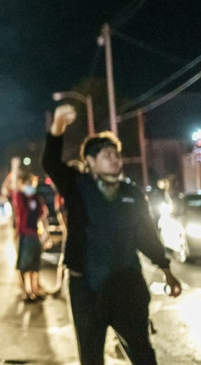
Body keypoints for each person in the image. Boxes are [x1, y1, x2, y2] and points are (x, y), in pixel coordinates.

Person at [42, 104, 182, 364]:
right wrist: (58, 126)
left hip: (127, 284)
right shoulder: (77, 186)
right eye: (107, 154)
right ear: (91, 161)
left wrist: (166, 269)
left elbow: (146, 236)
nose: (115, 159)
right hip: (86, 288)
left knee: (141, 351)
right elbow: (50, 162)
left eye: (117, 154)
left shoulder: (132, 193)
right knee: (91, 356)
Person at [8, 158, 50, 302]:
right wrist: (14, 167)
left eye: (30, 184)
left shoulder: (37, 200)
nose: (28, 186)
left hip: (35, 236)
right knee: (25, 267)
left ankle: (34, 290)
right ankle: (27, 293)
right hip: (25, 236)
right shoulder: (20, 198)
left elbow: (42, 218)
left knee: (35, 266)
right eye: (25, 184)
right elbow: (13, 186)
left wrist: (46, 235)